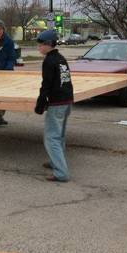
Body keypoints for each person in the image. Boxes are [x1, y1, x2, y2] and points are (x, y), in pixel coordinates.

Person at [34, 29, 74, 182]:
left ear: (49, 44)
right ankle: (55, 161)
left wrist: (41, 103)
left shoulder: (49, 61)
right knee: (60, 136)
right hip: (67, 101)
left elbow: (47, 84)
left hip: (57, 103)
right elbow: (67, 81)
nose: (39, 47)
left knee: (51, 138)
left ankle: (61, 173)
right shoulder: (61, 59)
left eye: (41, 44)